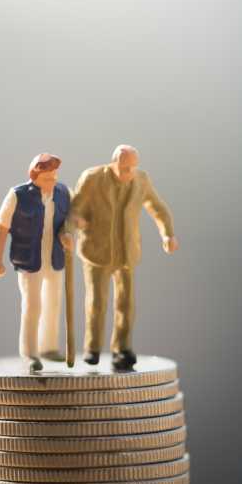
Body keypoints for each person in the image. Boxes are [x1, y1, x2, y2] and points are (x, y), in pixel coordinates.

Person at [65, 145, 177, 370]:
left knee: (126, 303)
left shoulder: (141, 180)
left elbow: (157, 207)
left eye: (133, 168)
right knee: (97, 302)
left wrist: (167, 233)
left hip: (126, 253)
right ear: (114, 162)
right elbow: (74, 209)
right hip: (96, 251)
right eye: (125, 167)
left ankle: (122, 348)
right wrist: (71, 229)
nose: (129, 173)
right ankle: (92, 348)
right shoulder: (92, 178)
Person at [0, 153, 74, 372]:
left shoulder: (63, 193)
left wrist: (69, 233)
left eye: (55, 176)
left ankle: (48, 347)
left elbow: (73, 218)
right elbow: (1, 228)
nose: (53, 181)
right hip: (29, 260)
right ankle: (29, 352)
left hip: (54, 258)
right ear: (35, 176)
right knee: (32, 306)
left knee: (53, 303)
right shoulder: (17, 195)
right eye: (48, 177)